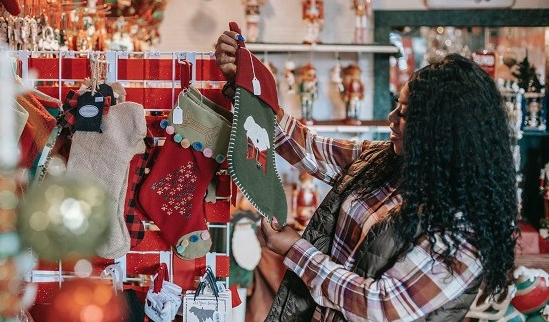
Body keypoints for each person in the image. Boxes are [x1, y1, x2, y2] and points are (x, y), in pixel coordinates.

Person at [215, 30, 518, 321]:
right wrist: (246, 84)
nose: (391, 119)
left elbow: (380, 307)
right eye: (396, 107)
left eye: (405, 114)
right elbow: (308, 148)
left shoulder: (463, 230)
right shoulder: (386, 161)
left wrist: (296, 251)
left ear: (445, 131)